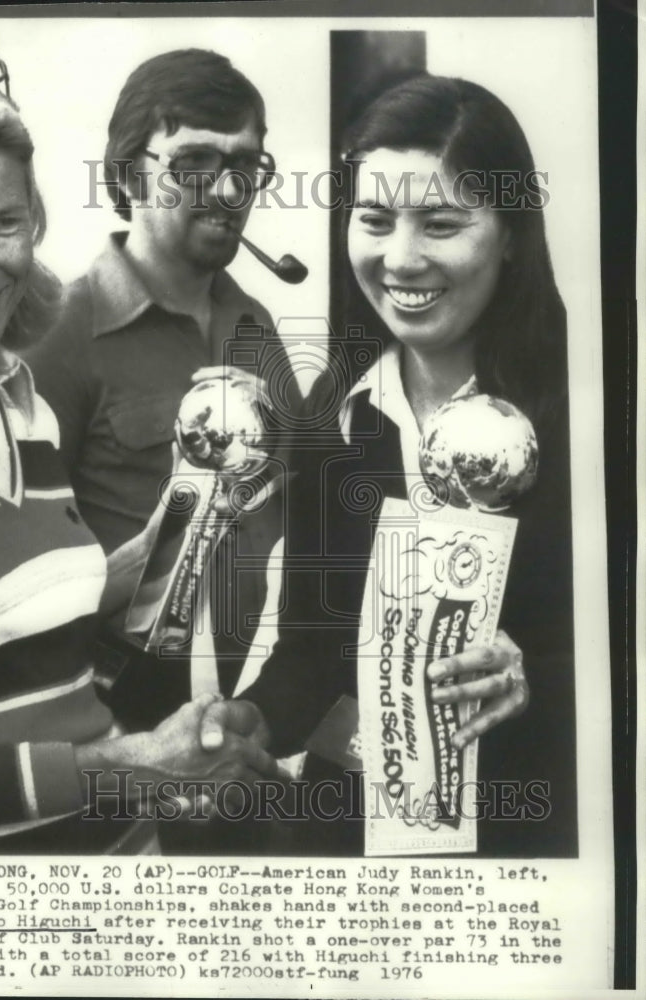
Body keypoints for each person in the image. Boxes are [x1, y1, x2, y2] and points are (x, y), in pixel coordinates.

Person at [0, 48, 281, 854]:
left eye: (5, 223)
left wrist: (168, 545)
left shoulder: (15, 397)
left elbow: (40, 623)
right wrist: (138, 764)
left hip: (123, 860)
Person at [202, 74, 577, 857]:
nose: (400, 259)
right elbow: (312, 650)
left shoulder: (587, 412)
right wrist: (253, 720)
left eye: (441, 223)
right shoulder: (331, 413)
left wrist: (538, 677)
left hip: (534, 841)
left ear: (510, 233)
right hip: (348, 842)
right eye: (374, 220)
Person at [27, 48, 297, 702]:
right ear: (129, 172)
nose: (231, 193)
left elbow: (299, 522)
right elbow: (15, 580)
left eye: (245, 165)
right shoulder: (57, 331)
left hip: (243, 699)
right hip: (108, 704)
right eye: (196, 163)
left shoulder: (258, 329)